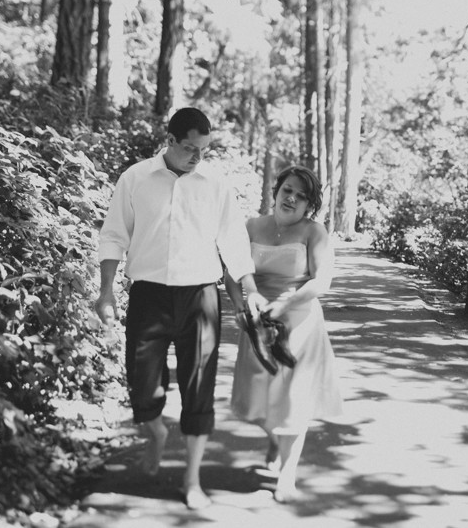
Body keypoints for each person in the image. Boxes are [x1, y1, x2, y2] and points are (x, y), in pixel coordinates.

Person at [95, 107, 265, 510]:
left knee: (198, 386)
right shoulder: (135, 178)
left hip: (200, 297)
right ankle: (155, 432)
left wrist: (250, 287)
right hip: (148, 296)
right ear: (169, 140)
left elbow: (233, 242)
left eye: (204, 149)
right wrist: (105, 292)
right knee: (140, 381)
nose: (197, 157)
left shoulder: (215, 184)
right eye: (190, 148)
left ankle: (192, 479)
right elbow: (114, 234)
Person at [225, 165, 343, 503]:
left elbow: (321, 282)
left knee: (294, 399)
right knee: (256, 398)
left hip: (299, 322)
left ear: (309, 205)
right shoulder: (251, 226)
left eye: (301, 196)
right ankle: (275, 438)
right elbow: (232, 270)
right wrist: (239, 305)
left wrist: (285, 304)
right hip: (259, 321)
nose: (291, 198)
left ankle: (287, 473)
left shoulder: (314, 232)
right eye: (287, 190)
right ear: (276, 191)